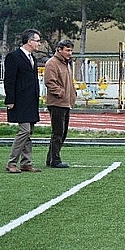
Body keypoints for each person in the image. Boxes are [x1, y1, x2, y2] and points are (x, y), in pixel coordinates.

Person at [4, 29, 42, 173]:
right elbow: (9, 80)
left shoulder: (33, 58)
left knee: (29, 131)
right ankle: (12, 163)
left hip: (31, 100)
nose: (39, 44)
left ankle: (26, 163)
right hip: (19, 100)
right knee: (24, 130)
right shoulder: (13, 57)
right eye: (37, 41)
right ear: (29, 41)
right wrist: (10, 99)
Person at [44, 39, 77, 168]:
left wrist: (72, 93)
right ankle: (55, 160)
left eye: (71, 50)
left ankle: (51, 158)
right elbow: (50, 82)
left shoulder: (66, 64)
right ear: (59, 49)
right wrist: (61, 93)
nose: (70, 53)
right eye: (67, 50)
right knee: (58, 132)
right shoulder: (52, 64)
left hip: (66, 102)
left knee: (62, 132)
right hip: (57, 103)